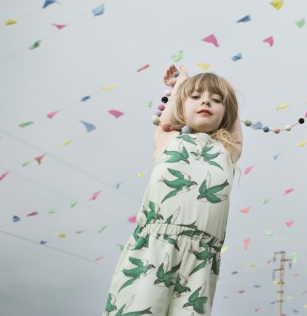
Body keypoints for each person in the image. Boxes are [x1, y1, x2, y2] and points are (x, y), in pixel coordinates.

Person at [103, 65, 243, 316]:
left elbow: (234, 127)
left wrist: (228, 101)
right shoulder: (168, 138)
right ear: (181, 104)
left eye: (216, 100)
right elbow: (168, 118)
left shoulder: (227, 151)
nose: (206, 102)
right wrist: (181, 84)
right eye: (197, 97)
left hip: (201, 258)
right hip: (154, 247)